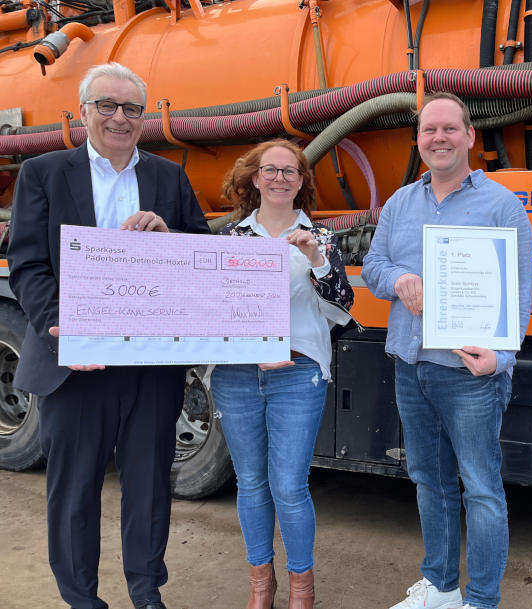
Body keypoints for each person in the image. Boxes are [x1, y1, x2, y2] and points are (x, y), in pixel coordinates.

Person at [6, 63, 210, 609]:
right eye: (107, 105)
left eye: (132, 108)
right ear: (83, 111)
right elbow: (27, 266)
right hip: (74, 365)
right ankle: (82, 599)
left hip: (151, 365)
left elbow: (200, 255)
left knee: (148, 487)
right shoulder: (45, 173)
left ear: (145, 117)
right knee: (73, 492)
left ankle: (147, 593)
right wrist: (66, 334)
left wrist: (170, 237)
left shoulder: (168, 177)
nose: (120, 117)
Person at [361, 92, 532, 609]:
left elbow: (519, 293)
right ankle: (440, 588)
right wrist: (400, 278)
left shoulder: (502, 204)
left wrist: (501, 360)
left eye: (449, 129)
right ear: (418, 140)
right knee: (428, 482)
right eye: (429, 130)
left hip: (468, 374)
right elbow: (373, 267)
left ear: (470, 137)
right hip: (411, 366)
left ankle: (480, 600)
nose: (438, 138)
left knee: (481, 489)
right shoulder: (399, 203)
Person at [211, 139, 354, 609]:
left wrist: (314, 256)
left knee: (289, 486)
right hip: (237, 374)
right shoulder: (231, 239)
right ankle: (260, 583)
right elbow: (209, 310)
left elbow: (343, 304)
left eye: (289, 171)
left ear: (300, 182)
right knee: (250, 482)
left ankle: (301, 587)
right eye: (270, 170)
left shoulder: (322, 237)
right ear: (255, 178)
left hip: (297, 371)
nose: (279, 178)